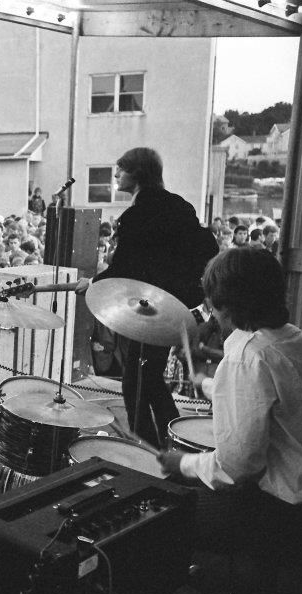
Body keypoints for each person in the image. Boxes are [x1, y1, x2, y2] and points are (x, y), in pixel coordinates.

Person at [158, 248, 302, 585]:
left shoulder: (247, 357)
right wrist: (206, 383)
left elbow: (236, 468)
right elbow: (276, 396)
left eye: (213, 302)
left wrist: (183, 463)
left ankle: (204, 591)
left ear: (227, 305)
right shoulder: (301, 340)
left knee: (169, 505)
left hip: (284, 516)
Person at [75, 148, 218, 448]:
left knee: (136, 383)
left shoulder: (137, 215)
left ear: (137, 173)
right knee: (148, 376)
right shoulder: (180, 205)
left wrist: (93, 282)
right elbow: (208, 248)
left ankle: (147, 447)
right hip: (174, 304)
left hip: (150, 305)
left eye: (121, 169)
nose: (116, 175)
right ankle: (171, 442)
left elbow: (124, 267)